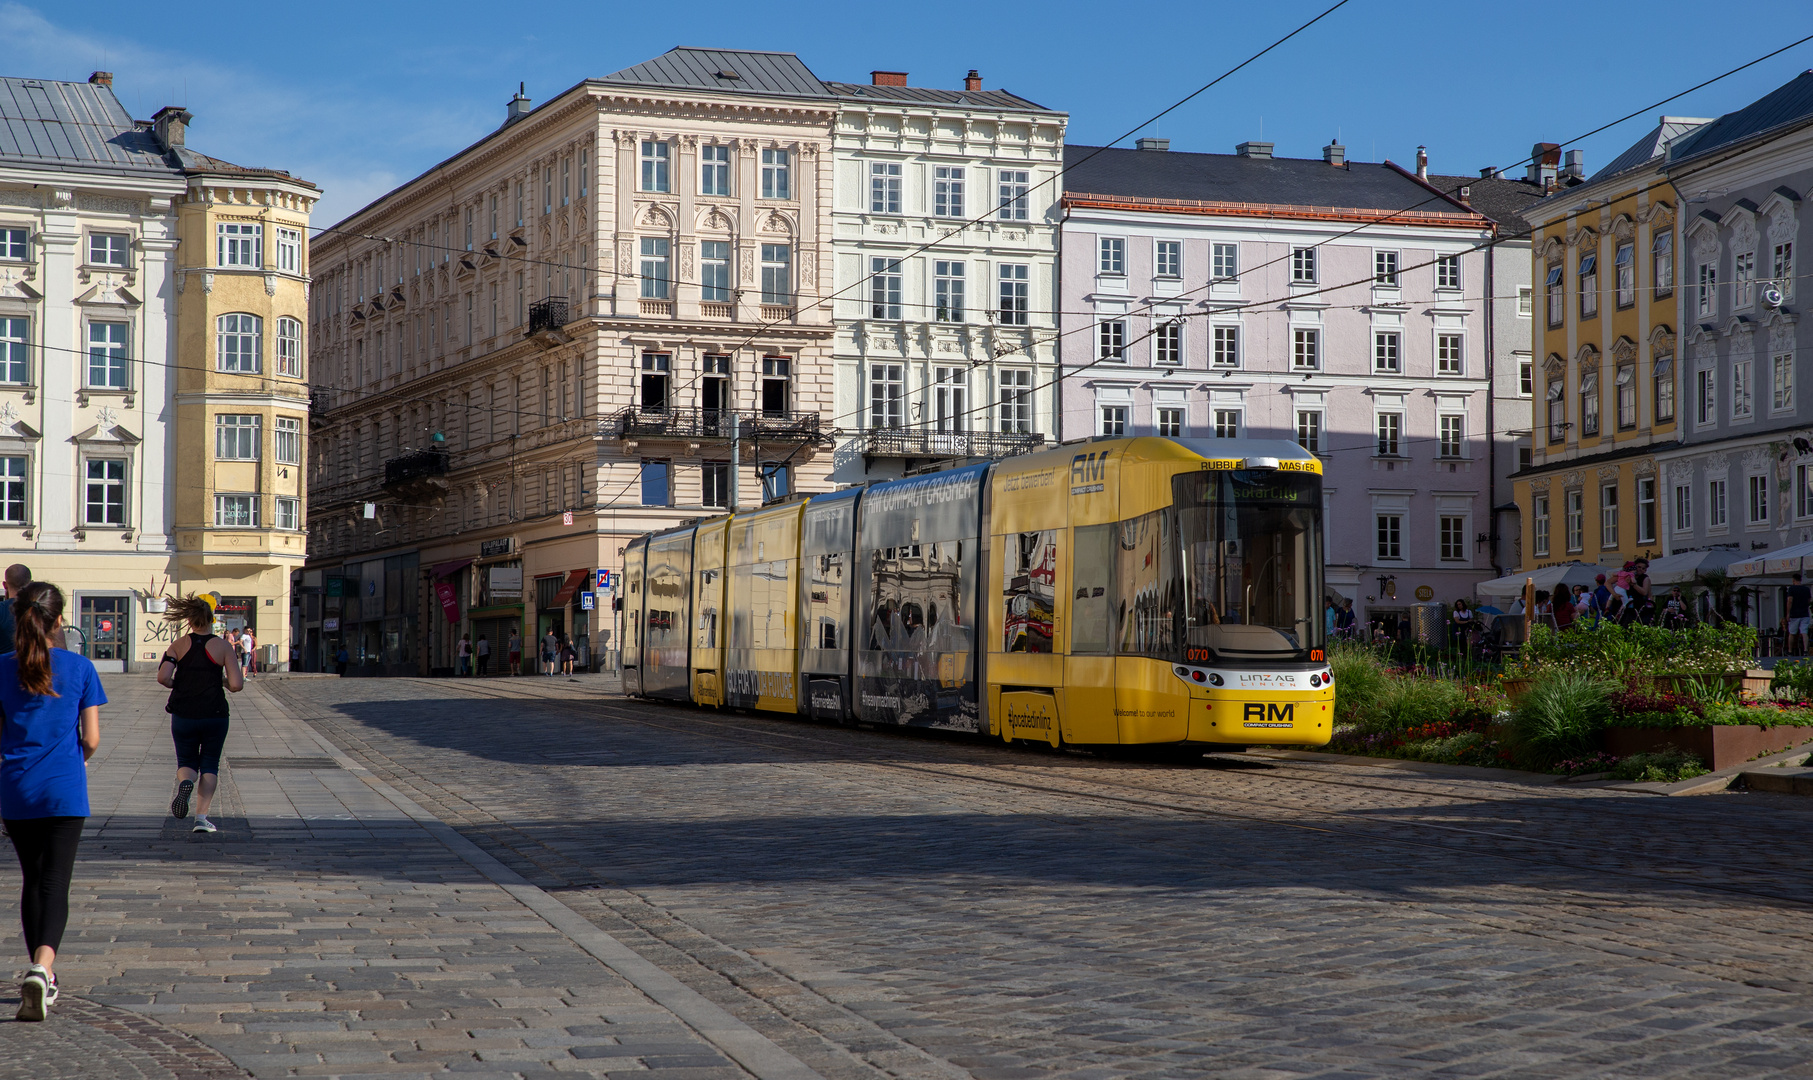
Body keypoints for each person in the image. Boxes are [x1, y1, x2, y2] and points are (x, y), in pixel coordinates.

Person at [1, 582, 104, 1021]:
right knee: (56, 881)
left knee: (32, 878)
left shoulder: (2, 668)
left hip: (16, 787)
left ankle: (40, 971)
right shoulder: (80, 667)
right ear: (58, 621)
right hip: (64, 788)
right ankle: (43, 968)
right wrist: (72, 757)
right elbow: (93, 739)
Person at [157, 595, 244, 837]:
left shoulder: (177, 645)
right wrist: (222, 681)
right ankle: (201, 818)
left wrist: (180, 683)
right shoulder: (223, 646)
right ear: (210, 619)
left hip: (183, 713)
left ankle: (185, 783)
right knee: (210, 764)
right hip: (214, 713)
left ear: (190, 619)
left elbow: (163, 677)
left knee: (186, 761)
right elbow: (237, 685)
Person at [0, 563, 29, 655]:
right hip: (34, 666)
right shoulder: (40, 609)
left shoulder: (1, 609)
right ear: (31, 583)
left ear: (5, 585)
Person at [1789, 573, 1813, 656]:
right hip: (1805, 613)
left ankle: (1790, 651)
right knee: (1804, 632)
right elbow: (1809, 600)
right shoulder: (1806, 589)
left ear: (1793, 580)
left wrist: (1788, 613)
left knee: (1792, 633)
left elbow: (1790, 601)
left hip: (1794, 614)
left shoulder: (1791, 589)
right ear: (1801, 580)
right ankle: (1805, 650)